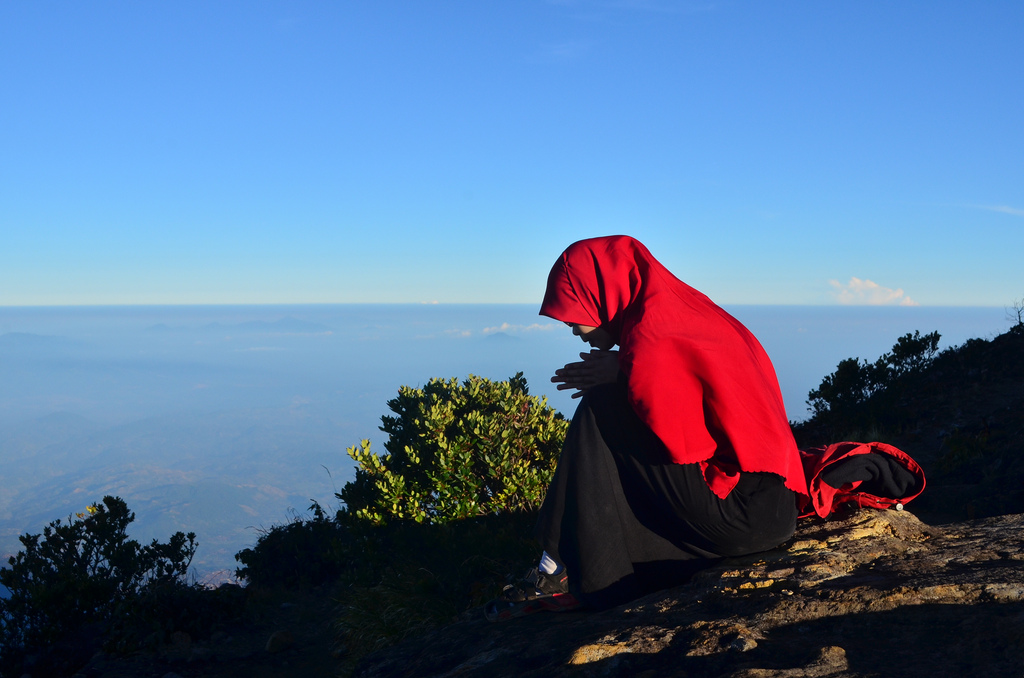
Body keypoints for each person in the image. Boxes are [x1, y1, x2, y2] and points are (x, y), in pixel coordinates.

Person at [486, 235, 807, 621]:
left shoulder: (653, 332)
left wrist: (622, 374)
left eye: (575, 313)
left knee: (601, 406)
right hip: (773, 510)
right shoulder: (687, 313)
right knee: (612, 405)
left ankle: (554, 570)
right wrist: (624, 368)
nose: (574, 329)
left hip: (743, 510)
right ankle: (571, 563)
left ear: (603, 294)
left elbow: (684, 441)